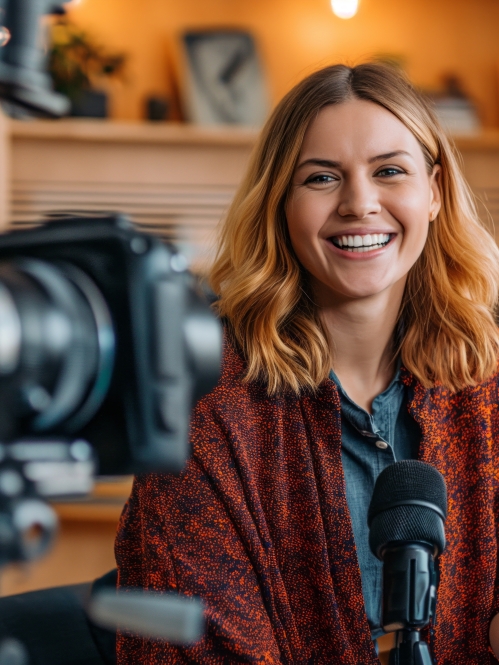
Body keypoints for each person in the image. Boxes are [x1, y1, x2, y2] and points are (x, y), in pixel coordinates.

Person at [115, 63, 499, 664]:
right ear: (280, 204)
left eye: (390, 171)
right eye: (321, 178)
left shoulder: (488, 386)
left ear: (436, 192)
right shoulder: (206, 403)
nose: (359, 203)